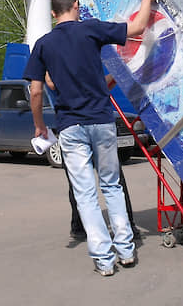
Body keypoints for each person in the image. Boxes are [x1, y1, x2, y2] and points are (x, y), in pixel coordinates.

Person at [24, 0, 164, 276]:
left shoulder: (43, 45)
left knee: (85, 193)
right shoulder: (91, 30)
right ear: (76, 5)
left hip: (70, 127)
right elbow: (137, 28)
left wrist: (39, 126)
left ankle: (104, 259)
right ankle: (126, 251)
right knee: (111, 185)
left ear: (52, 13)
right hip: (101, 120)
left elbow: (36, 91)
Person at [44, 72, 142, 243]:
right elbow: (51, 83)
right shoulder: (54, 55)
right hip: (75, 127)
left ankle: (126, 226)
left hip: (94, 125)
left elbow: (104, 85)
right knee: (82, 183)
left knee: (112, 180)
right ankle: (80, 226)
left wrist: (116, 73)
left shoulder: (83, 55)